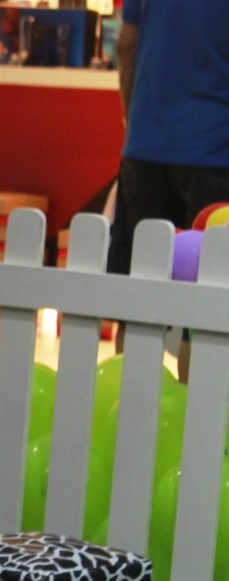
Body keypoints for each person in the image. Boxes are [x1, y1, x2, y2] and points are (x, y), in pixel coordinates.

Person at [105, 0, 229, 379]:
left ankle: (127, 415)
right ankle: (194, 431)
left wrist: (135, 120)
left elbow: (126, 44)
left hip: (146, 149)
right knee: (204, 313)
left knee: (138, 306)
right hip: (215, 154)